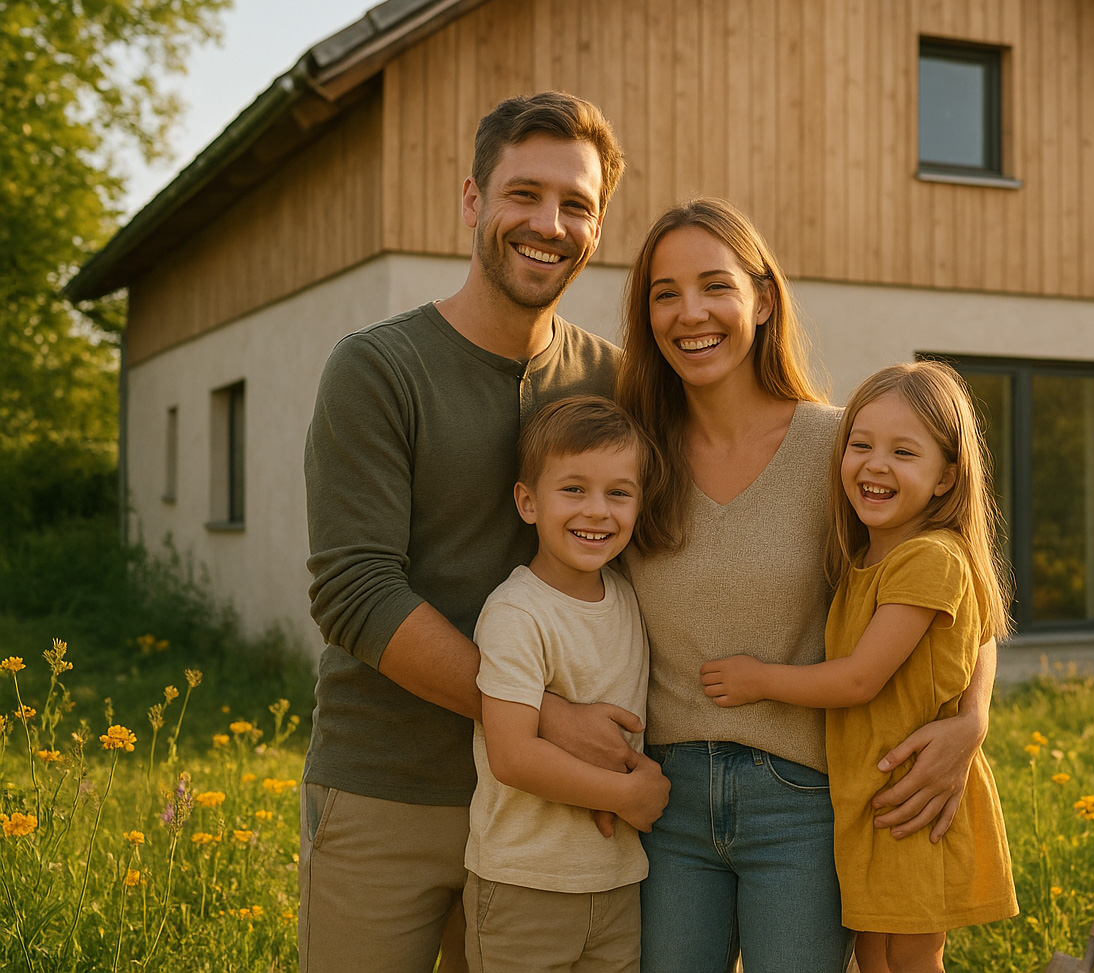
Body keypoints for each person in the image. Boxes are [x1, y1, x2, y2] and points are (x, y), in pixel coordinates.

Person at [616, 198, 999, 973]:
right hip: (665, 795)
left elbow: (958, 592)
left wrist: (972, 721)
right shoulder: (632, 451)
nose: (690, 312)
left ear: (762, 299)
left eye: (714, 285)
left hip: (802, 798)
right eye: (665, 292)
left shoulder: (841, 445)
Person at [301, 92, 636, 973]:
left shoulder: (614, 383)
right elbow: (357, 593)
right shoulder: (378, 368)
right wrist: (549, 721)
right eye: (523, 193)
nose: (549, 223)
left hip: (555, 818)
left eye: (577, 204)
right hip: (393, 790)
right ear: (472, 201)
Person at [700, 361, 1019, 973]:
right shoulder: (871, 557)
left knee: (908, 956)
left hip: (910, 801)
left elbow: (857, 679)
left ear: (947, 476)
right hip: (872, 802)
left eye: (904, 451)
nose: (875, 464)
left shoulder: (929, 557)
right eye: (860, 444)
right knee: (875, 953)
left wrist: (758, 679)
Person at [466, 396, 670, 973]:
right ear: (527, 502)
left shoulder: (629, 597)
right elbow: (512, 755)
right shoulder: (517, 613)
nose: (597, 511)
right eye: (574, 490)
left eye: (619, 493)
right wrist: (625, 794)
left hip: (616, 882)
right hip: (522, 884)